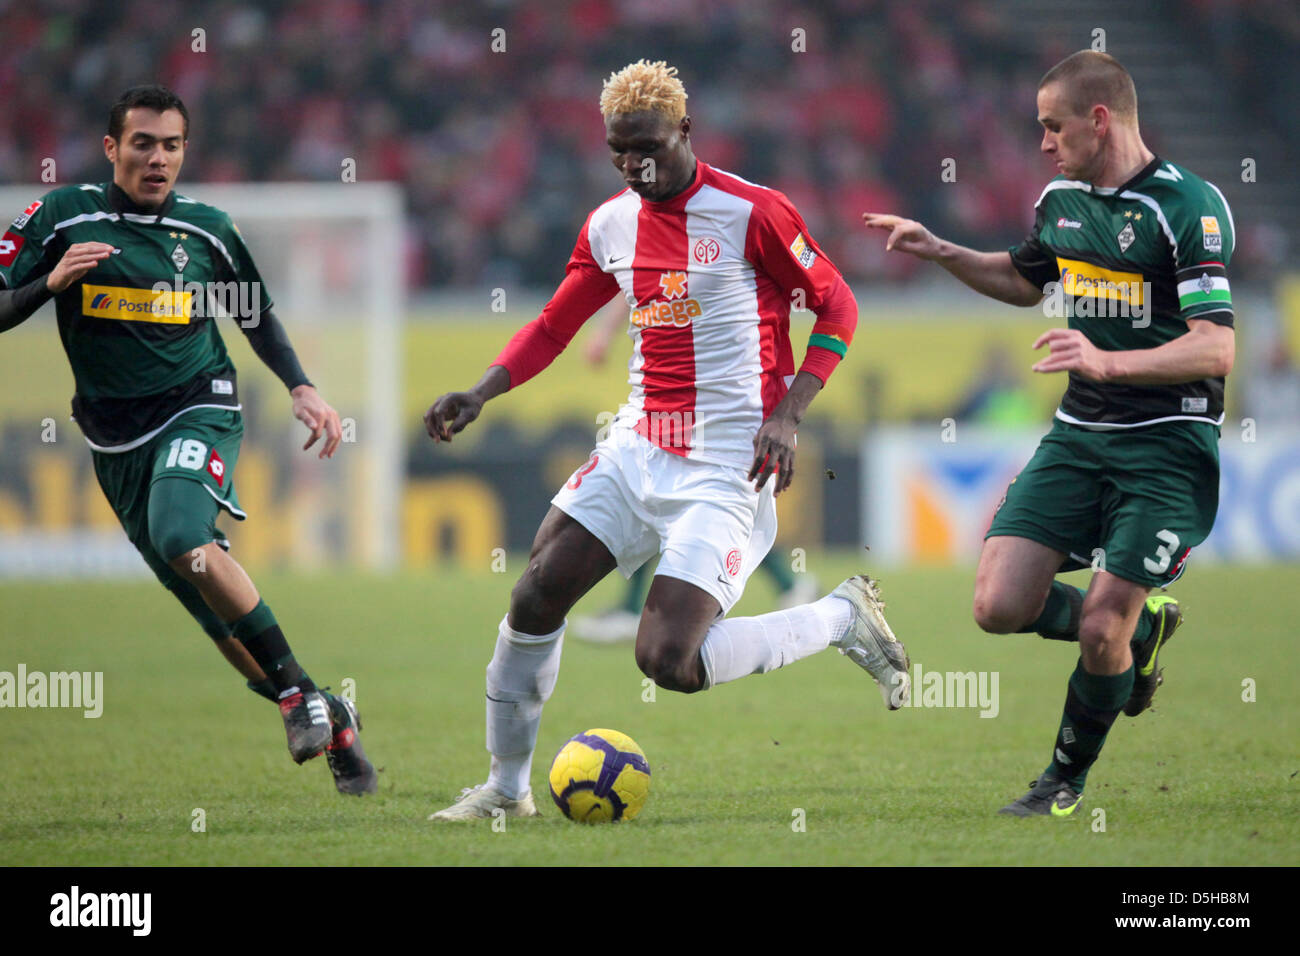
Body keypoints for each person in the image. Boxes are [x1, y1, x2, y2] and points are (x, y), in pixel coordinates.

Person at [425, 60, 910, 821]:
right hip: (637, 445)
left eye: (647, 146)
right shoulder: (609, 224)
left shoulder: (754, 212)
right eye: (618, 150)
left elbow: (838, 307)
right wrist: (482, 391)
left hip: (726, 462)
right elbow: (554, 325)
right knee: (534, 596)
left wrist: (788, 414)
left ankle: (840, 617)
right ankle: (506, 791)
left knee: (668, 661)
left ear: (684, 131)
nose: (634, 164)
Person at [864, 50, 1235, 816]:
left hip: (1167, 446)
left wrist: (1107, 361)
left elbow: (1216, 346)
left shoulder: (1187, 206)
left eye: (1052, 126)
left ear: (1099, 120)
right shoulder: (1060, 200)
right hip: (1078, 436)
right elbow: (1024, 279)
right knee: (997, 604)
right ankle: (1142, 634)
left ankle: (1062, 781)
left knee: (1101, 626)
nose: (1042, 142)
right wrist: (941, 251)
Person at [0, 85, 376, 795]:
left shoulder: (206, 230)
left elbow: (253, 314)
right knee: (211, 612)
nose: (158, 158)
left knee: (181, 534)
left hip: (199, 406)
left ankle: (299, 699)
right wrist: (49, 283)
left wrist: (301, 386)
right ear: (112, 148)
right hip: (115, 440)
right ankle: (328, 710)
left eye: (171, 145)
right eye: (143, 143)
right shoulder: (62, 216)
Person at [573, 298, 818, 643]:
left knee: (697, 505)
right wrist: (606, 331)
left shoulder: (716, 281)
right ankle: (790, 584)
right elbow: (632, 283)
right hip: (682, 395)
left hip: (711, 402)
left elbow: (833, 304)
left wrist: (604, 332)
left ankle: (796, 592)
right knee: (676, 503)